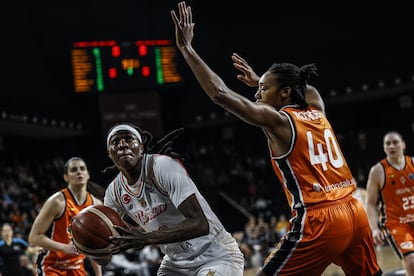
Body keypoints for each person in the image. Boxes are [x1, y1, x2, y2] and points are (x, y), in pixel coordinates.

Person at [171, 2, 382, 275]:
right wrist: (263, 80)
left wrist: (187, 49)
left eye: (262, 89)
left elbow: (220, 94)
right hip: (355, 209)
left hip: (321, 220)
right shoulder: (316, 109)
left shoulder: (280, 121)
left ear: (284, 93)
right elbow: (308, 90)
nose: (257, 94)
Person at [98, 123, 244, 276]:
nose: (122, 145)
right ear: (109, 153)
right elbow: (105, 252)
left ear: (141, 147)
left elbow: (200, 223)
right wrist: (86, 246)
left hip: (216, 254)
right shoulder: (114, 192)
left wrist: (147, 238)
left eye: (128, 139)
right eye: (115, 142)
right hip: (176, 263)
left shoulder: (161, 166)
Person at [28, 157, 103, 276]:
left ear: (88, 174)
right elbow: (34, 237)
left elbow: (93, 246)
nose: (79, 172)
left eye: (82, 169)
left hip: (76, 266)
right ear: (66, 177)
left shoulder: (97, 205)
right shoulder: (57, 202)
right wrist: (64, 248)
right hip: (52, 265)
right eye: (74, 170)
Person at [366, 131, 414, 275]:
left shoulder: (413, 163)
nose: (392, 146)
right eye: (388, 143)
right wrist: (374, 229)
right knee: (412, 263)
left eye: (395, 142)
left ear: (403, 145)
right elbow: (370, 203)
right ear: (384, 147)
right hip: (396, 224)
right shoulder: (378, 171)